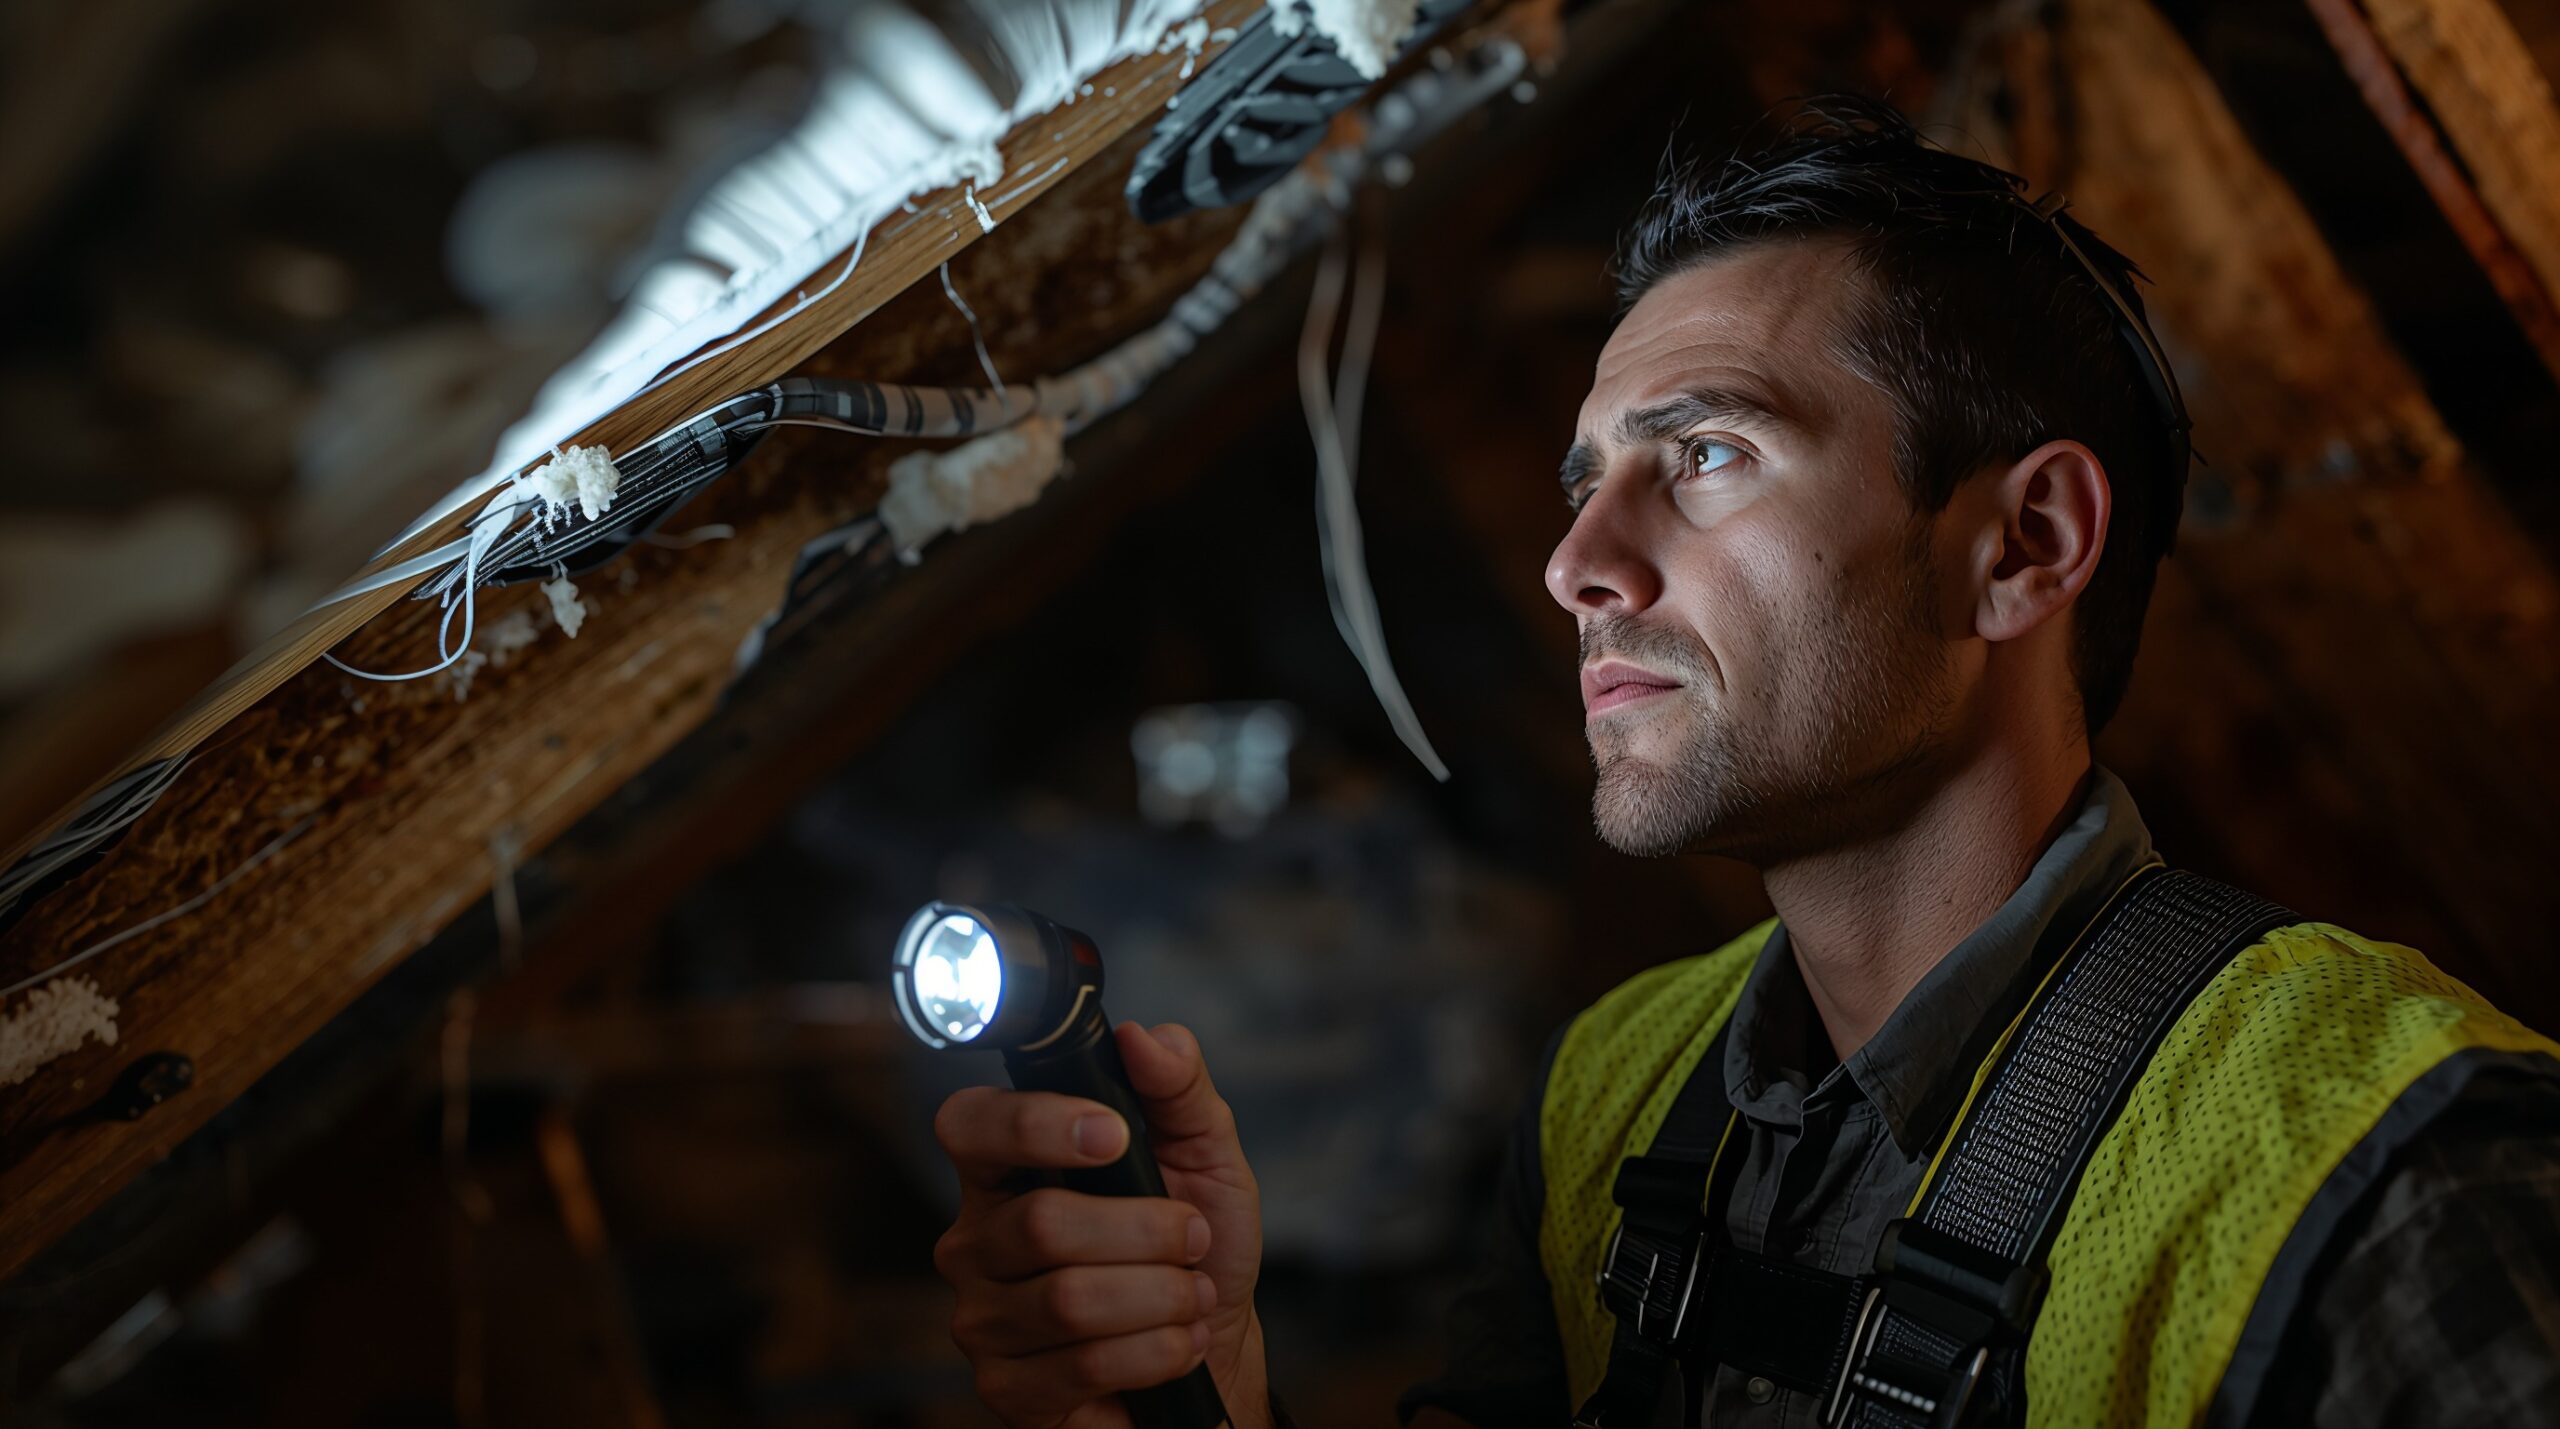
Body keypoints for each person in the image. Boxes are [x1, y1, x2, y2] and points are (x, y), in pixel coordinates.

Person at [923, 96, 2560, 1428]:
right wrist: (1213, 1389)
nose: (1577, 564)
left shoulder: (2396, 1166)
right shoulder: (1613, 1092)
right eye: (1586, 483)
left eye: (1707, 453)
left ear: (2024, 545)